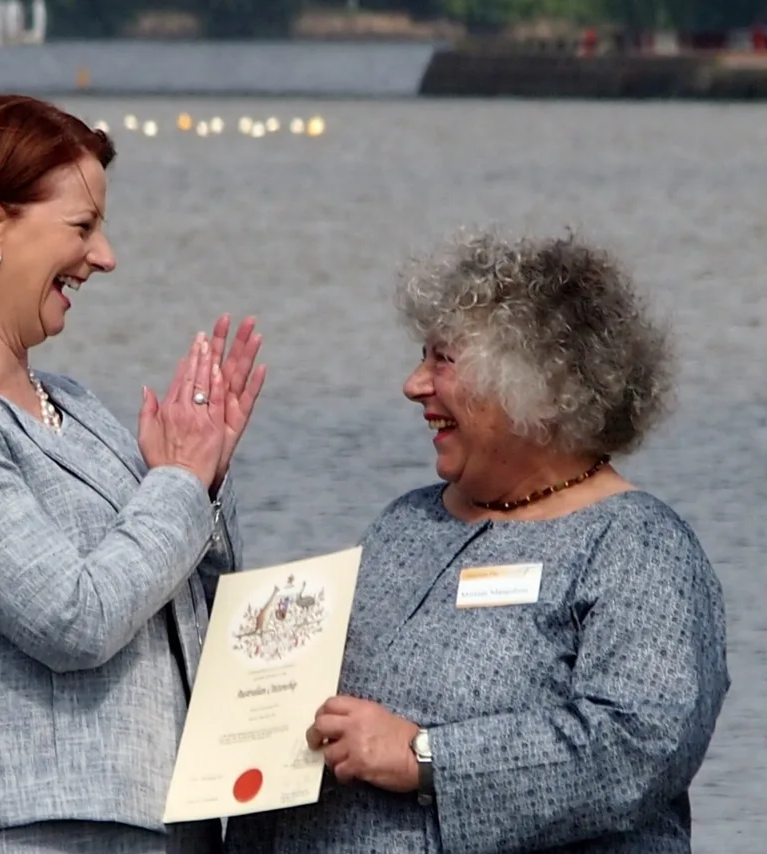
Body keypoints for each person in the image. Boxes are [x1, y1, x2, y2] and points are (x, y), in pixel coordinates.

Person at [225, 231, 729, 853]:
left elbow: (641, 745)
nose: (414, 385)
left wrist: (429, 759)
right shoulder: (404, 524)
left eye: (443, 360)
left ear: (534, 383)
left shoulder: (639, 546)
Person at [0, 93, 266, 854]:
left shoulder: (73, 405)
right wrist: (177, 484)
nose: (105, 255)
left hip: (163, 819)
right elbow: (72, 619)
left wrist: (202, 477)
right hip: (31, 832)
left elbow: (182, 602)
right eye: (82, 228)